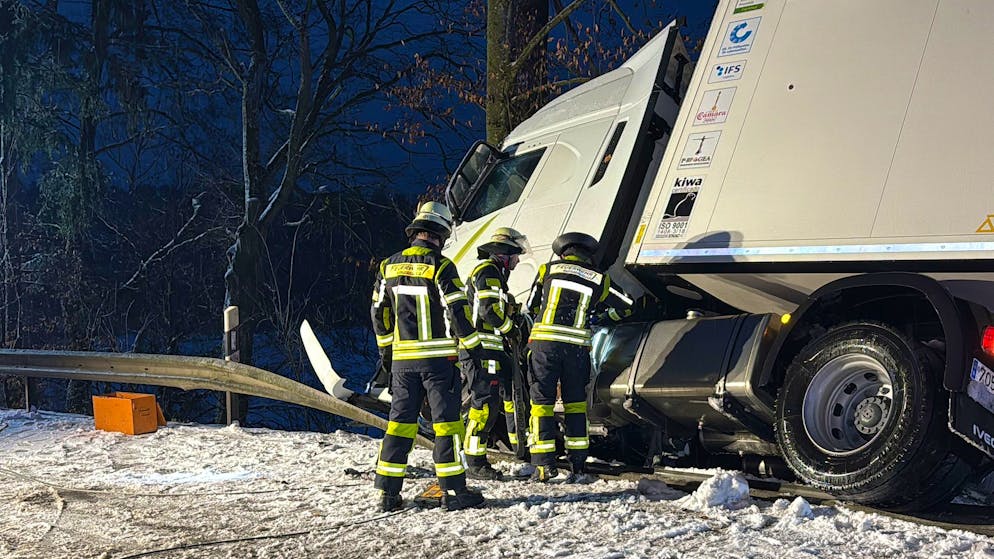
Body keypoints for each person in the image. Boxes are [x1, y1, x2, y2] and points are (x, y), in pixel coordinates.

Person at [370, 201, 486, 511]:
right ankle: (453, 492)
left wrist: (387, 354)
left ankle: (388, 494)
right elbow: (458, 312)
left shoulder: (387, 266)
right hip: (438, 364)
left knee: (399, 425)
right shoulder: (442, 266)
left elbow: (379, 314)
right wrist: (473, 348)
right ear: (441, 234)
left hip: (403, 365)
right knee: (447, 425)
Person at [525, 232, 634, 481]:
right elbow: (627, 305)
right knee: (575, 405)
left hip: (545, 346)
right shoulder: (599, 279)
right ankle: (578, 463)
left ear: (563, 252)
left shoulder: (547, 270)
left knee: (541, 404)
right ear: (588, 255)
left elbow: (531, 305)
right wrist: (601, 318)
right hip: (576, 350)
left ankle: (543, 465)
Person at [461, 227, 529, 480]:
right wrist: (511, 329)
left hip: (492, 349)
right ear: (504, 255)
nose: (518, 260)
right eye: (515, 255)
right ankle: (475, 461)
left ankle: (519, 448)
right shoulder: (488, 273)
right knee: (484, 405)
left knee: (508, 397)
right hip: (481, 349)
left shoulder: (495, 276)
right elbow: (489, 311)